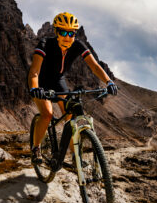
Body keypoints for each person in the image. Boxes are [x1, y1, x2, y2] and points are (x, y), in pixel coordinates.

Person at [27, 12, 118, 162]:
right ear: (56, 32)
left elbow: (94, 67)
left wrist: (109, 82)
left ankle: (75, 155)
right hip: (40, 81)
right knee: (47, 114)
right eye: (63, 32)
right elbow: (34, 71)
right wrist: (35, 89)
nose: (67, 37)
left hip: (58, 81)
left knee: (70, 115)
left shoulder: (78, 45)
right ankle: (36, 148)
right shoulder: (45, 43)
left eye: (71, 33)